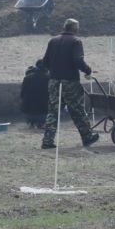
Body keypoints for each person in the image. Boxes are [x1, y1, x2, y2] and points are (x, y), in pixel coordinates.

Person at [39, 18, 98, 149]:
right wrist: (88, 70)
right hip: (70, 82)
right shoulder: (76, 41)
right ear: (75, 29)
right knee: (77, 110)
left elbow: (45, 62)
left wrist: (55, 70)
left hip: (54, 81)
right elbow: (78, 60)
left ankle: (47, 141)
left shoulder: (52, 41)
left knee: (53, 112)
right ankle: (87, 137)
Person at [19, 63, 50, 128]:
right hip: (44, 109)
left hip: (28, 108)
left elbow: (22, 94)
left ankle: (31, 123)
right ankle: (41, 123)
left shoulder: (27, 78)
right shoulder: (49, 78)